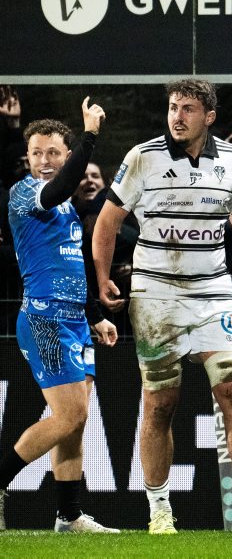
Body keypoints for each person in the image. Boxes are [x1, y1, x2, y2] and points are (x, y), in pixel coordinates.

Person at [91, 79, 232, 535]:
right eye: (172, 107)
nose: (177, 117)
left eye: (187, 108)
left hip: (214, 293)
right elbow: (107, 222)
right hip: (155, 296)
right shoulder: (142, 157)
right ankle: (159, 510)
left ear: (209, 116)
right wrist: (102, 278)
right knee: (160, 404)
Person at [0, 101, 119, 533]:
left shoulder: (67, 207)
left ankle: (68, 516)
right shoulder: (25, 193)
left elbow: (74, 264)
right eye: (36, 152)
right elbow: (60, 186)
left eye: (53, 152)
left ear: (65, 155)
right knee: (69, 416)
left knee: (76, 423)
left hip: (74, 322)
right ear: (27, 158)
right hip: (45, 319)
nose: (44, 160)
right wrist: (89, 136)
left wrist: (94, 316)